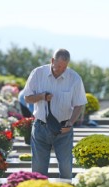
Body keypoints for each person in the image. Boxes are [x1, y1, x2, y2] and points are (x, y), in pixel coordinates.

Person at [23, 49, 87, 179]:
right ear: (52, 61)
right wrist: (41, 96)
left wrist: (71, 122)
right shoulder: (38, 73)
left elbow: (79, 104)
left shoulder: (74, 78)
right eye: (58, 66)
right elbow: (27, 98)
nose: (61, 69)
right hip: (41, 128)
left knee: (66, 169)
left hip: (64, 129)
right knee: (38, 171)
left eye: (64, 67)